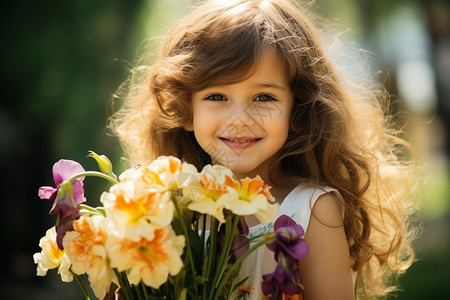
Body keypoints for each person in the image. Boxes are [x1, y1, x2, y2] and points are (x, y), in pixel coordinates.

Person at [109, 0, 418, 299]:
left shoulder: (310, 211)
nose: (240, 119)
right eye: (217, 96)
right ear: (186, 110)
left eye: (264, 98)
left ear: (297, 110)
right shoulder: (168, 210)